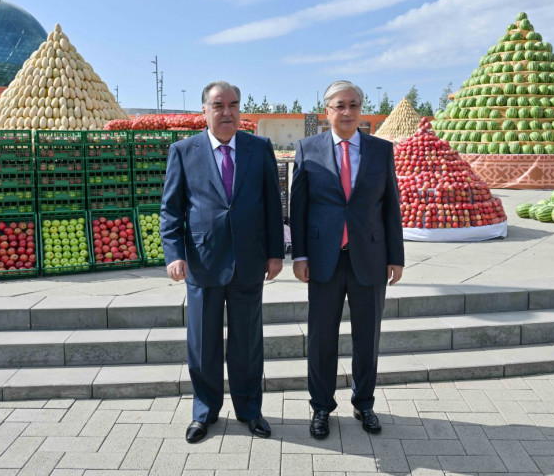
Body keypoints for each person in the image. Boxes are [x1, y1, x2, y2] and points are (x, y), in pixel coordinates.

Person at [161, 80, 284, 443]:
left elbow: (272, 204)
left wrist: (276, 252)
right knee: (203, 345)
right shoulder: (184, 151)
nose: (227, 112)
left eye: (233, 105)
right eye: (218, 105)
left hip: (249, 261)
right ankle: (204, 413)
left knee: (247, 344)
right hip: (203, 262)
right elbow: (171, 210)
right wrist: (175, 254)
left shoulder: (259, 148)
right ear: (205, 111)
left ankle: (250, 411)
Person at [290, 80, 405, 439]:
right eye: (340, 105)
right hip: (323, 260)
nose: (347, 111)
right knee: (321, 339)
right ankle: (321, 407)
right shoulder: (307, 149)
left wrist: (396, 256)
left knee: (367, 337)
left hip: (369, 258)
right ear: (327, 111)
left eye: (354, 105)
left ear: (361, 110)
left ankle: (364, 403)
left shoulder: (380, 150)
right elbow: (299, 208)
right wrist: (300, 255)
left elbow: (391, 207)